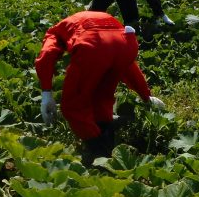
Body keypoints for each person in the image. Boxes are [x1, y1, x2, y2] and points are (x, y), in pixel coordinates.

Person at [35, 11, 164, 165]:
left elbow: (46, 57)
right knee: (102, 94)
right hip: (126, 42)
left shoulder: (54, 33)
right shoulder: (94, 18)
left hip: (92, 45)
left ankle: (98, 150)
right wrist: (145, 96)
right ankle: (106, 131)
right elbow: (129, 68)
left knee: (73, 106)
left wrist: (46, 94)